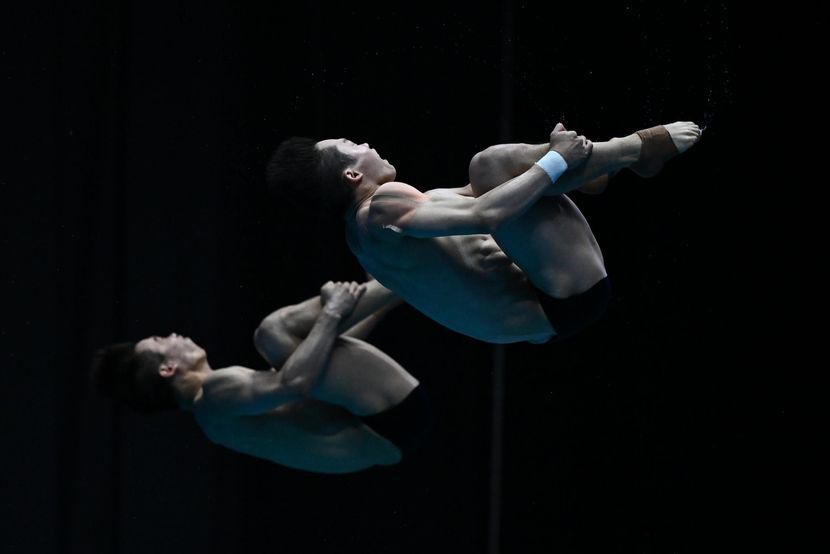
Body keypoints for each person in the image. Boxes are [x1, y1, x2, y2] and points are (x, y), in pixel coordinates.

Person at [267, 122, 701, 343]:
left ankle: (597, 168)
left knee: (494, 173)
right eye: (353, 145)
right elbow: (486, 214)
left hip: (545, 316)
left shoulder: (360, 236)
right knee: (490, 162)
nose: (366, 144)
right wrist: (556, 162)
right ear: (351, 174)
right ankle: (633, 150)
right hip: (565, 296)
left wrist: (554, 167)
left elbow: (481, 197)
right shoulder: (382, 206)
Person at [91, 280, 431, 474]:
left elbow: (322, 366)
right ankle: (411, 258)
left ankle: (403, 272)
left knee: (295, 342)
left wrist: (387, 298)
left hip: (391, 429)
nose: (173, 335)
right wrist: (332, 311)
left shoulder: (215, 416)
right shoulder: (215, 394)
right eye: (161, 341)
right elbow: (296, 382)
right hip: (388, 423)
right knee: (271, 333)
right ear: (167, 370)